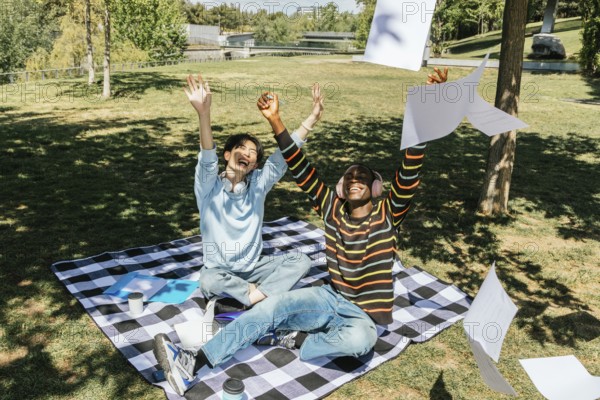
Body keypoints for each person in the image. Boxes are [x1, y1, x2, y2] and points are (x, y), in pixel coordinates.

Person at [154, 68, 448, 396]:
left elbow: (410, 170)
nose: (354, 178)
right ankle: (192, 361)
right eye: (349, 176)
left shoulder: (388, 212)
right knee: (268, 309)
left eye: (362, 176)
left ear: (377, 188)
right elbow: (296, 163)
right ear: (340, 189)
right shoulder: (330, 208)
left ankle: (302, 341)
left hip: (362, 313)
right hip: (327, 297)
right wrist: (275, 120)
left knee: (362, 341)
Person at [185, 73, 324, 310]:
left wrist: (312, 118)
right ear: (227, 155)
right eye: (240, 148)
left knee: (300, 261)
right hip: (220, 270)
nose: (246, 154)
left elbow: (285, 155)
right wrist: (203, 113)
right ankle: (261, 295)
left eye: (252, 153)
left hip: (255, 268)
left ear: (255, 165)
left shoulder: (258, 183)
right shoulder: (209, 186)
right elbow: (207, 156)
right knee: (208, 280)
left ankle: (250, 296)